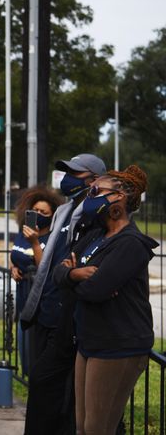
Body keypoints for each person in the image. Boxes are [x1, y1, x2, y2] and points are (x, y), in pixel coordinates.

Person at [53, 166, 156, 435]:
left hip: (119, 344)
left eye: (96, 191)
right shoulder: (95, 236)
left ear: (119, 197)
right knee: (82, 426)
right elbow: (58, 272)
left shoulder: (131, 243)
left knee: (98, 428)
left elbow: (94, 291)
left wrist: (74, 279)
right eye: (90, 191)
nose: (90, 197)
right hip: (90, 341)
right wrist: (76, 274)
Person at [20, 153, 106, 434]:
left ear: (94, 180)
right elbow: (54, 266)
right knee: (42, 386)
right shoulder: (64, 211)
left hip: (71, 322)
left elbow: (81, 269)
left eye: (75, 174)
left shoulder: (95, 217)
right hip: (47, 315)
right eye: (66, 172)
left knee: (69, 400)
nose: (67, 179)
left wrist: (67, 272)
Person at [9, 185, 63, 375]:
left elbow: (45, 269)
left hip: (40, 307)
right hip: (23, 302)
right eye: (35, 210)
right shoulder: (23, 234)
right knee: (24, 356)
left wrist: (35, 242)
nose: (38, 214)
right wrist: (13, 268)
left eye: (43, 212)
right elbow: (15, 254)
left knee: (36, 360)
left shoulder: (52, 239)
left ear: (52, 215)